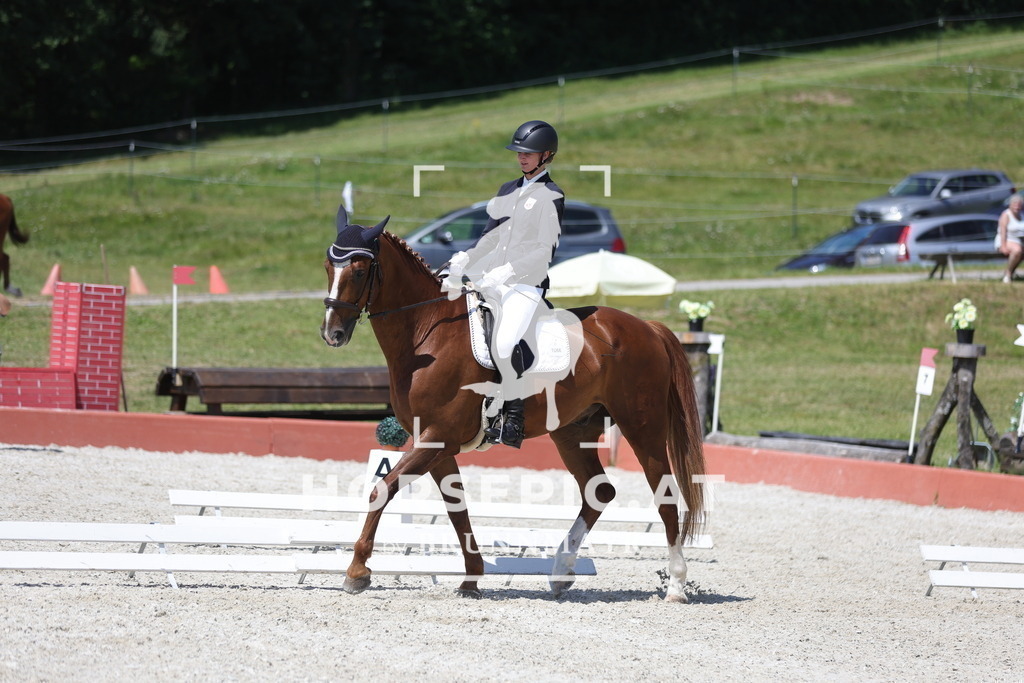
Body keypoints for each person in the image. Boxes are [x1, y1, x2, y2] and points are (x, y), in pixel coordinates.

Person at [441, 120, 565, 448]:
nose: (522, 158)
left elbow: (543, 250)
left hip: (526, 284)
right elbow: (489, 236)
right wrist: (465, 260)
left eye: (529, 153)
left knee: (505, 342)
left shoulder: (551, 195)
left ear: (546, 155)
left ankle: (513, 418)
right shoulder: (507, 190)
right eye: (519, 152)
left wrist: (508, 270)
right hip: (493, 281)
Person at [997, 193, 1024, 284]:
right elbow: (1003, 231)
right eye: (1015, 205)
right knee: (1017, 250)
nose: (1017, 207)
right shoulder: (1006, 215)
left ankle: (1011, 272)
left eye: (1019, 205)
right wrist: (1003, 246)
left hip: (1019, 241)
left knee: (1019, 249)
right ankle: (1007, 274)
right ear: (1010, 205)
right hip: (1006, 239)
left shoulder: (1022, 216)